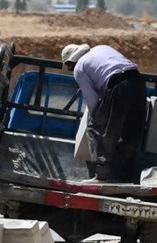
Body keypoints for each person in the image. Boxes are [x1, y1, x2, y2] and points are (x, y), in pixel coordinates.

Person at [61, 44, 148, 182]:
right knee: (130, 134)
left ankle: (102, 176)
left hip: (119, 86)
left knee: (95, 128)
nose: (70, 69)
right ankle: (126, 178)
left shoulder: (79, 68)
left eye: (69, 66)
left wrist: (95, 118)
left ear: (70, 62)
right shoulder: (101, 48)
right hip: (138, 82)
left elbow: (92, 100)